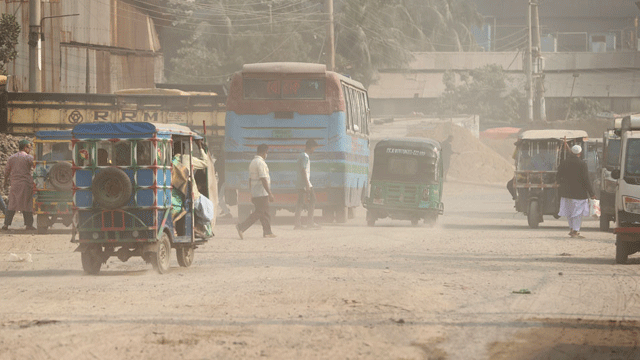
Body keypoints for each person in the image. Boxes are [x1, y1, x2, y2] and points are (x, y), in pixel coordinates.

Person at [236, 144, 276, 239]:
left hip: (256, 192)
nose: (267, 154)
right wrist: (270, 193)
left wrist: (252, 192)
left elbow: (250, 179)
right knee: (259, 212)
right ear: (263, 152)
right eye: (266, 152)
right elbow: (263, 179)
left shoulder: (253, 162)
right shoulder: (260, 163)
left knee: (265, 213)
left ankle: (267, 232)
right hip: (261, 192)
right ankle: (242, 227)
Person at [557, 144, 595, 239]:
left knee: (569, 212)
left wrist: (560, 184)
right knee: (577, 213)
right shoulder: (582, 164)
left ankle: (572, 229)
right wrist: (592, 193)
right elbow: (586, 180)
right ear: (580, 153)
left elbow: (558, 176)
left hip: (566, 193)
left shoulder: (564, 162)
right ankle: (575, 230)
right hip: (579, 194)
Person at [3, 139, 36, 231]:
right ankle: (29, 225)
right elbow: (36, 167)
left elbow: (6, 172)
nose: (30, 149)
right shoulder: (28, 158)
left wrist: (5, 182)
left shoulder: (11, 158)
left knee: (12, 205)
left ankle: (6, 225)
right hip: (25, 184)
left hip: (14, 184)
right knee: (27, 204)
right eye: (29, 147)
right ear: (25, 148)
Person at [294, 139, 321, 230]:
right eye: (314, 148)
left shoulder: (302, 156)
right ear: (311, 147)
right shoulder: (305, 156)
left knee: (301, 202)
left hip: (302, 182)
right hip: (304, 183)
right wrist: (307, 184)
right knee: (311, 200)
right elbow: (303, 170)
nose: (314, 150)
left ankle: (300, 223)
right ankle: (307, 223)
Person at [214, 151, 232, 219]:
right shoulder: (226, 161)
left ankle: (227, 213)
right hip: (227, 181)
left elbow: (213, 172)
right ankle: (225, 209)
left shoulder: (217, 162)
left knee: (219, 198)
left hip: (222, 182)